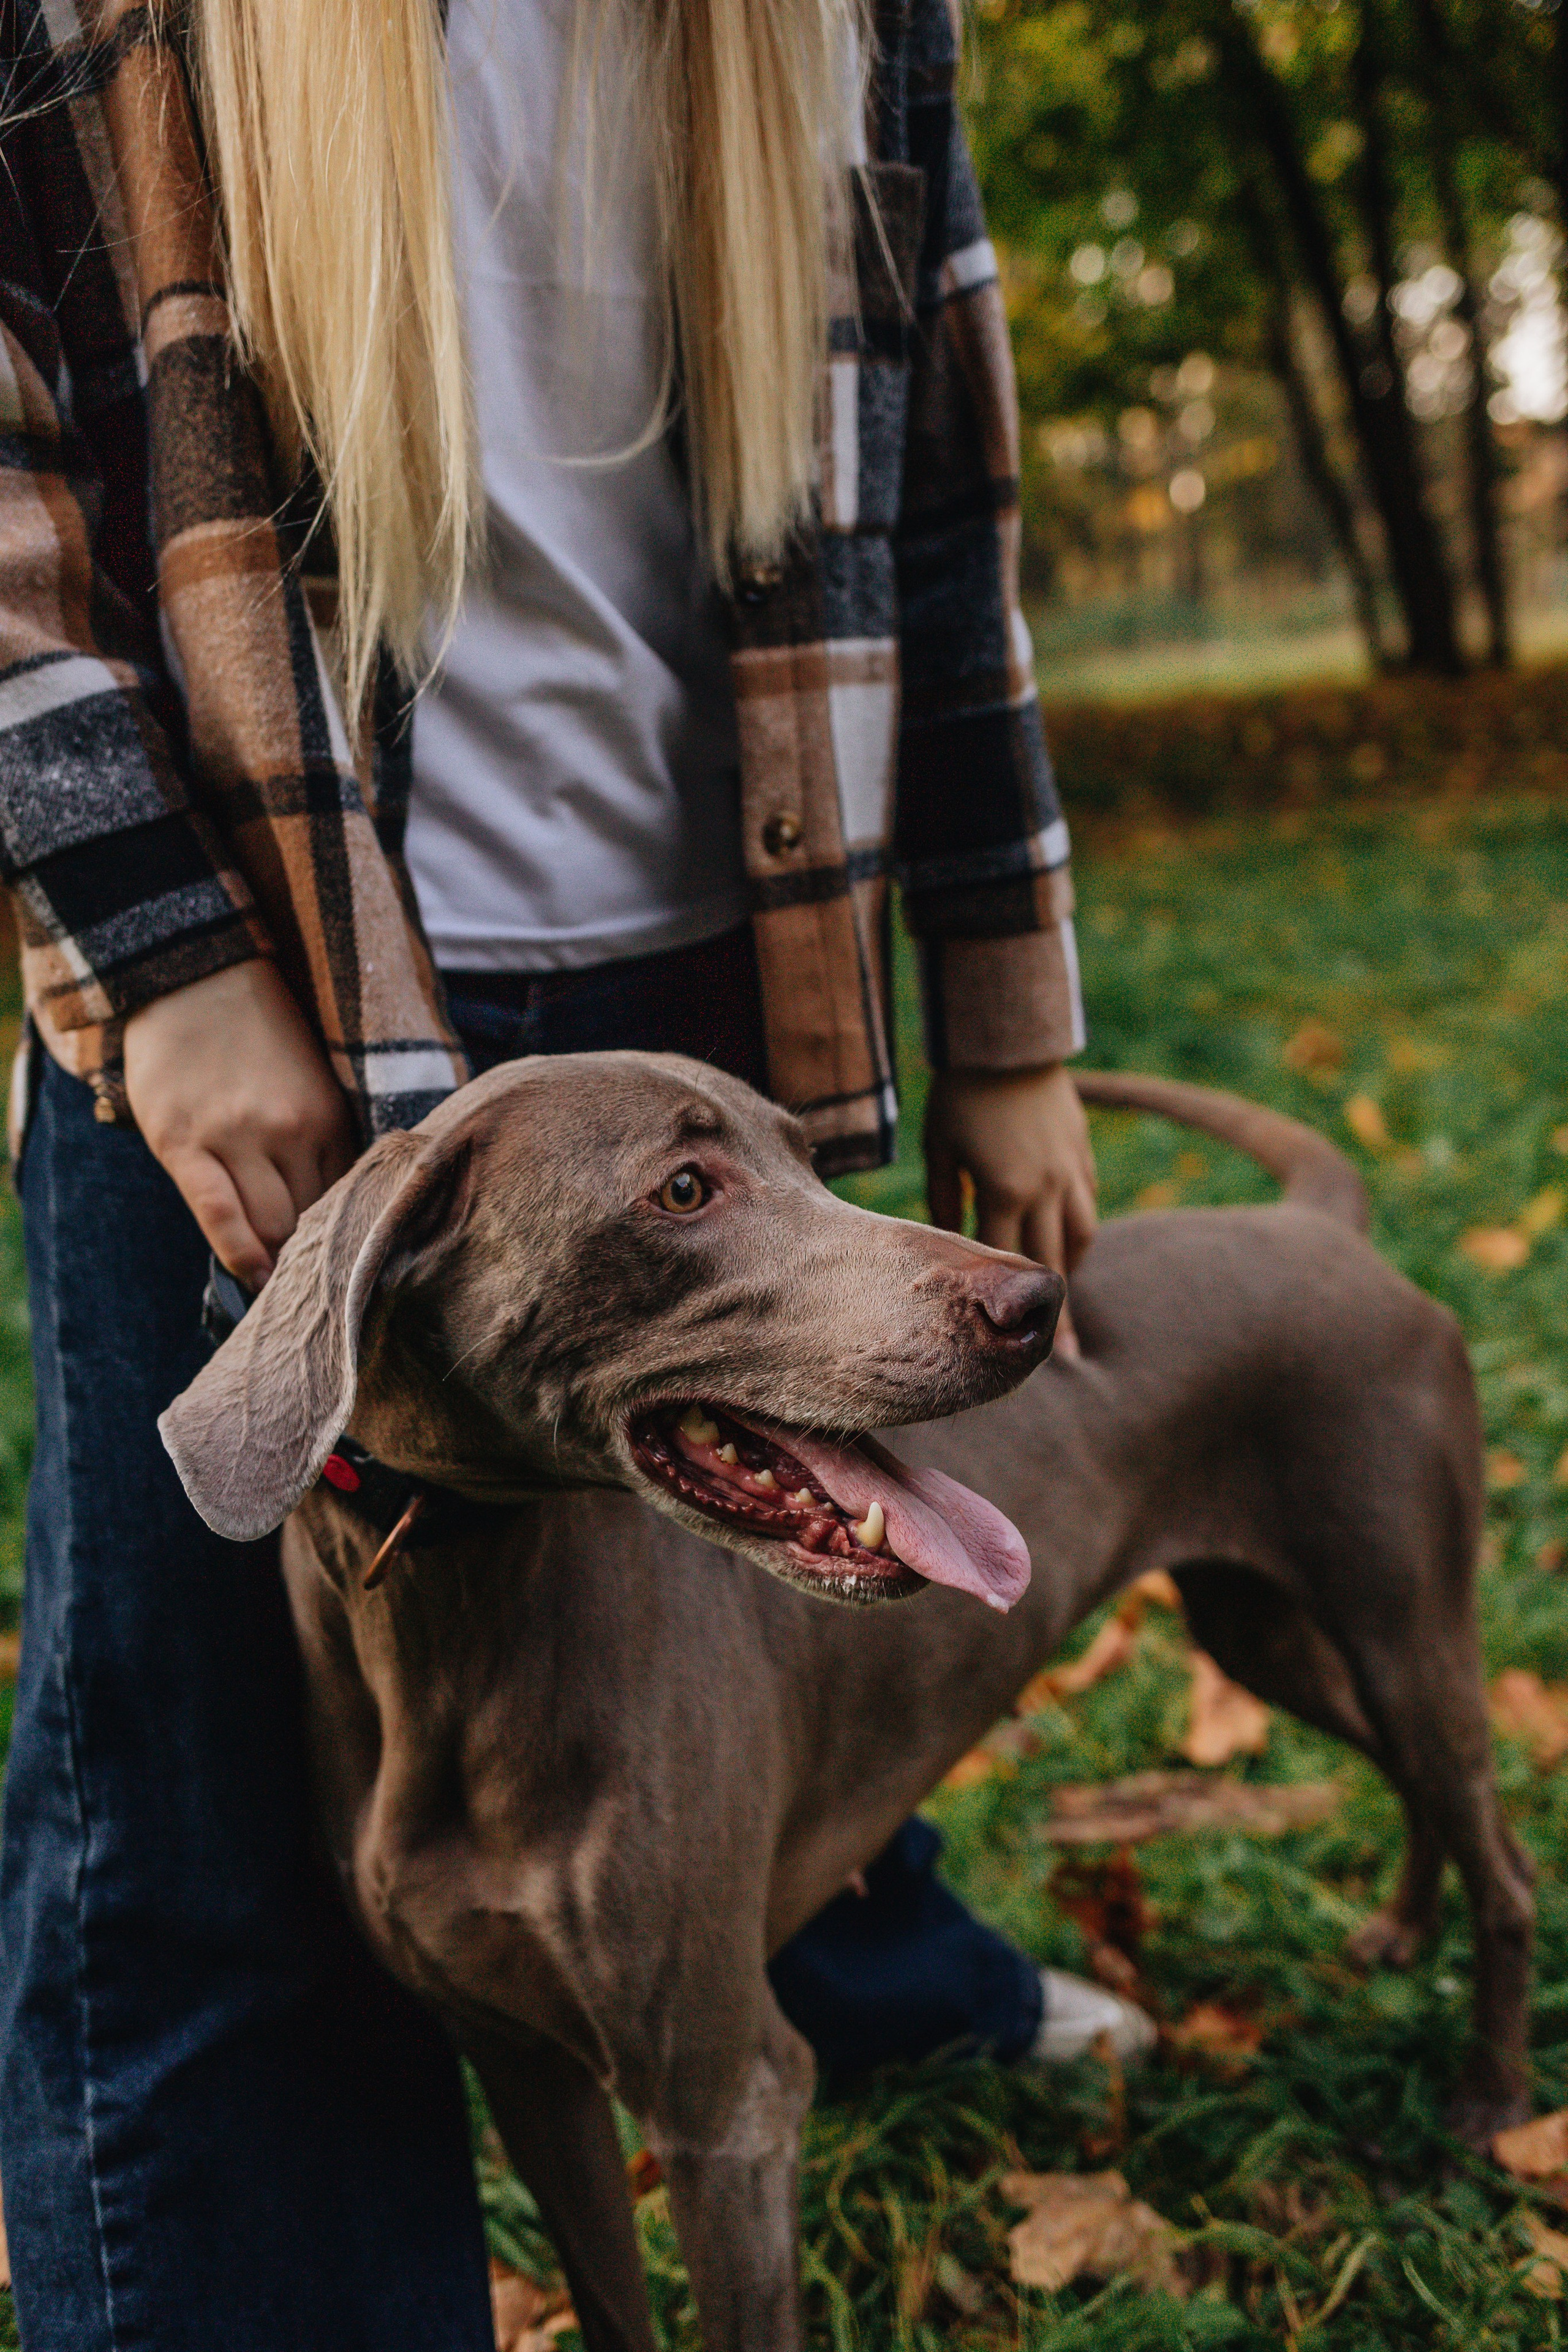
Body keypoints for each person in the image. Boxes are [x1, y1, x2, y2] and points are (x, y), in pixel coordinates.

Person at [0, 0, 1149, 2340]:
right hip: (271, 980)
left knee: (727, 1622)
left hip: (737, 979)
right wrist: (156, 948)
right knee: (225, 1816)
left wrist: (1009, 1004)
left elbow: (941, 489)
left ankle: (853, 1928)